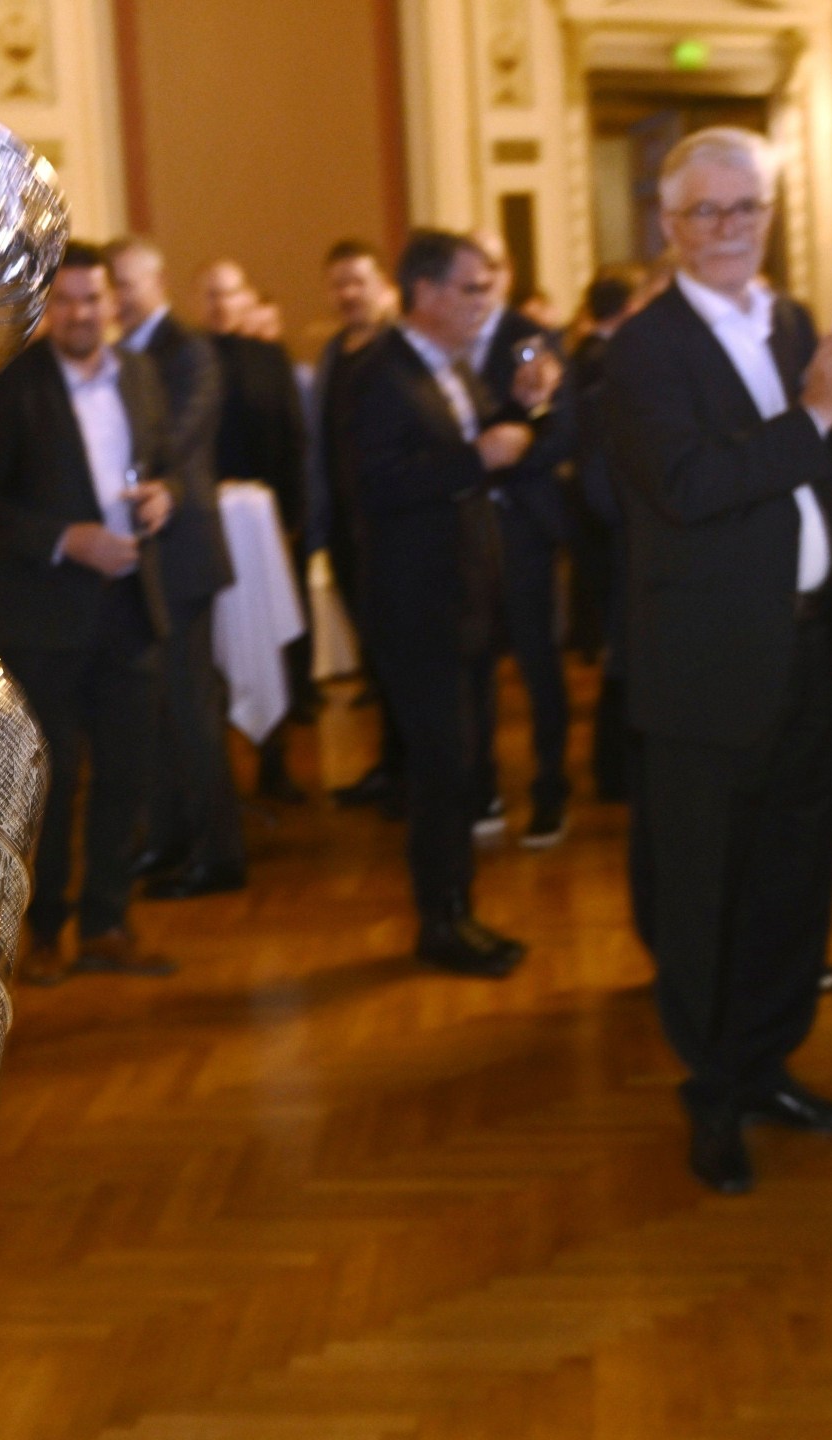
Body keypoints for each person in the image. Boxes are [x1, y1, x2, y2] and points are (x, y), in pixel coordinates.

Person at [603, 127, 832, 1195]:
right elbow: (689, 486)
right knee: (702, 893)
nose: (729, 229)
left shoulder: (793, 321)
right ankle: (712, 1092)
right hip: (702, 664)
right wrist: (816, 403)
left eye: (747, 209)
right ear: (670, 226)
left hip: (802, 645)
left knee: (787, 882)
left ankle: (767, 1064)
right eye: (706, 212)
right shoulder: (641, 349)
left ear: (771, 216)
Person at [0, 242, 179, 982]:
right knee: (51, 781)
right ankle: (44, 933)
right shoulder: (14, 387)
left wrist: (164, 494)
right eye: (68, 300)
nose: (81, 313)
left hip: (129, 608)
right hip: (43, 615)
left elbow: (161, 460)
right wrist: (64, 541)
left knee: (127, 773)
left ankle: (109, 923)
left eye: (93, 299)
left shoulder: (141, 375)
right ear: (50, 308)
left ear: (114, 304)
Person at [342, 229, 554, 976]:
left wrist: (521, 413)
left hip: (463, 598)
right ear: (425, 294)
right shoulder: (380, 374)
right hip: (416, 606)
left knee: (465, 768)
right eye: (471, 288)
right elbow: (377, 486)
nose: (485, 300)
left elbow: (474, 457)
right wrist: (477, 455)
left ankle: (461, 910)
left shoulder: (446, 368)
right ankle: (440, 922)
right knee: (439, 771)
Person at [107, 237, 246, 899]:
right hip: (142, 553)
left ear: (154, 280)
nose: (117, 297)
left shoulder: (188, 351)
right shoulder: (118, 352)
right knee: (154, 711)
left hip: (182, 551)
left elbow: (177, 438)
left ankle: (218, 855)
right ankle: (164, 839)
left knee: (192, 710)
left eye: (124, 283)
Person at [464, 232, 577, 849]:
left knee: (538, 664)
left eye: (491, 272)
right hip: (464, 530)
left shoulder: (534, 341)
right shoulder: (441, 342)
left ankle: (551, 791)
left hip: (525, 527)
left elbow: (564, 435)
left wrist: (514, 445)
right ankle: (482, 787)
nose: (480, 287)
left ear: (507, 274)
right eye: (470, 275)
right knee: (473, 664)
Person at [201, 258, 314, 803]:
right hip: (207, 520)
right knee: (214, 644)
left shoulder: (272, 359)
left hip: (270, 521)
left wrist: (293, 518)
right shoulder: (189, 360)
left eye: (231, 294)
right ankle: (218, 767)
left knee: (275, 634)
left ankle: (276, 762)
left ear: (246, 300)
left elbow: (294, 441)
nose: (222, 305)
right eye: (212, 296)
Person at [310, 238, 409, 816]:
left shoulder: (398, 353)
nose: (349, 293)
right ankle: (390, 766)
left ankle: (411, 770)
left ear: (382, 287)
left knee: (400, 655)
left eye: (359, 281)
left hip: (394, 533)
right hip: (349, 532)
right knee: (375, 656)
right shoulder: (331, 354)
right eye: (339, 283)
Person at [570, 266, 651, 802]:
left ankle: (617, 771)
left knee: (625, 647)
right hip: (620, 529)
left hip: (609, 527)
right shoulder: (607, 364)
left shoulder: (589, 356)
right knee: (627, 649)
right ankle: (618, 772)